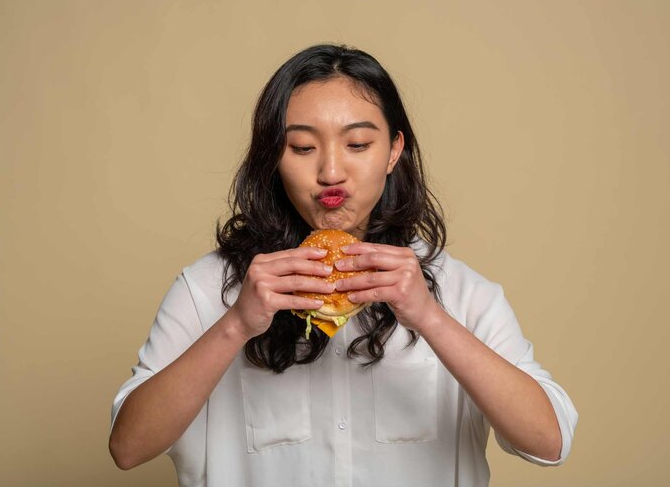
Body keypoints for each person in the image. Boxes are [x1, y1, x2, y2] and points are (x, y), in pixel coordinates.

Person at [109, 44, 577, 487]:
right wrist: (236, 324)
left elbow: (549, 442)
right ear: (274, 157)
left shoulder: (461, 291)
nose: (331, 172)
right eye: (302, 148)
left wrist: (429, 317)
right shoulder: (208, 289)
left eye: (356, 144)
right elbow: (128, 448)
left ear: (394, 151)